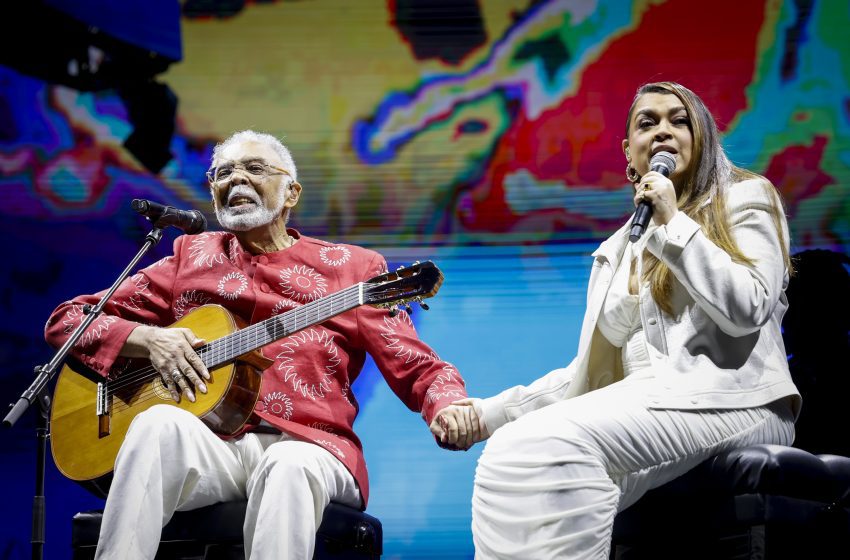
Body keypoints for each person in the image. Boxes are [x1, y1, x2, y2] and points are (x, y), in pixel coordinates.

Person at [44, 130, 474, 559]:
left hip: (312, 446)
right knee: (155, 424)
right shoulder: (189, 256)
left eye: (254, 169)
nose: (236, 180)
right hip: (214, 447)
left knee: (286, 465)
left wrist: (448, 405)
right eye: (223, 173)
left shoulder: (352, 269)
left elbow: (416, 364)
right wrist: (148, 339)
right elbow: (68, 321)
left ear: (292, 193)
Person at [437, 81, 802, 558]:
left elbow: (747, 307)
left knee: (547, 446)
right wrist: (489, 415)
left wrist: (672, 222)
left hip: (734, 398)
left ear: (704, 138)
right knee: (508, 456)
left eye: (679, 120)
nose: (664, 132)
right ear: (629, 152)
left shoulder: (745, 199)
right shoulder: (617, 249)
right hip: (649, 401)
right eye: (647, 123)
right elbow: (586, 377)